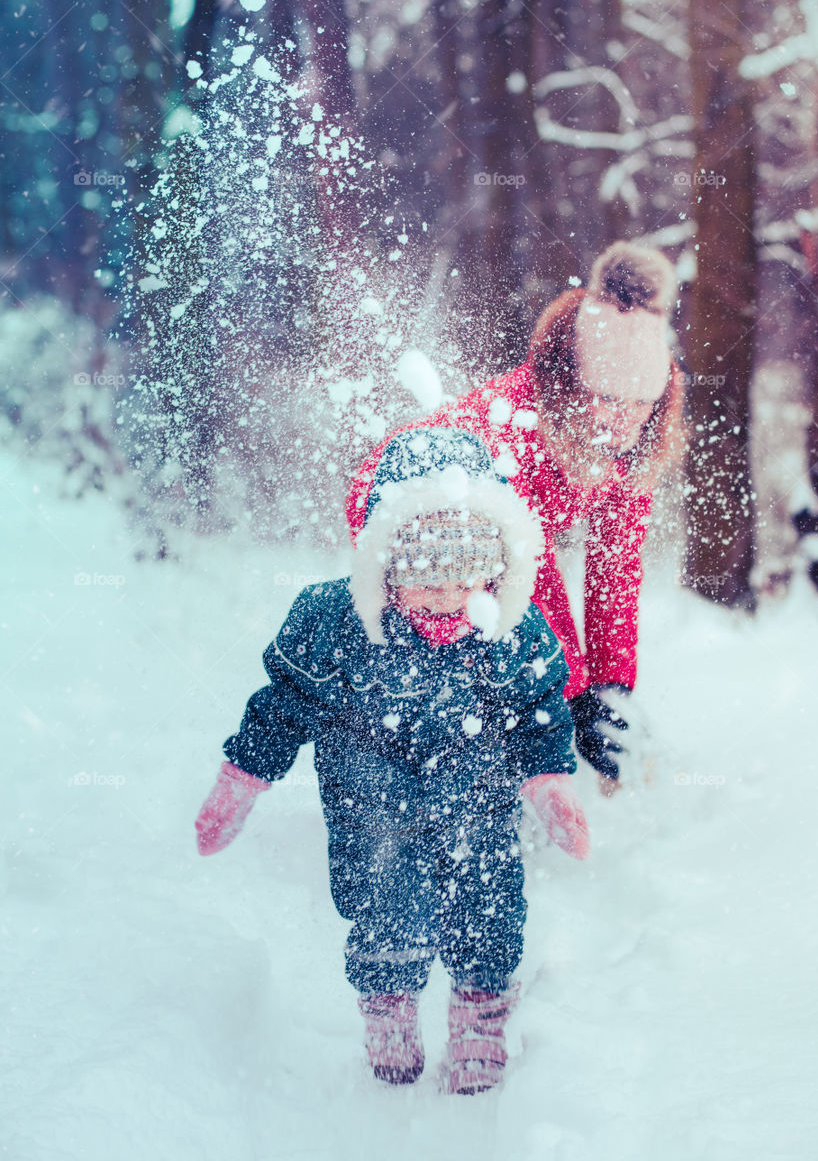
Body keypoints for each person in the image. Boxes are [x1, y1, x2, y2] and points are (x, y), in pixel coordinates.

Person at [194, 429, 590, 1095]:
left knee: (489, 902)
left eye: (469, 579)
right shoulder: (334, 622)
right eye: (426, 579)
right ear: (385, 566)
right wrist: (243, 778)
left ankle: (479, 1016)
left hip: (477, 795)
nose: (447, 598)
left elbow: (538, 709)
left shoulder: (510, 630)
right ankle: (388, 1006)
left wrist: (549, 783)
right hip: (368, 799)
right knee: (385, 907)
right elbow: (282, 705)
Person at [346, 242, 685, 795]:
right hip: (405, 500)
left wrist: (613, 691)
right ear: (571, 386)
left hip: (492, 534)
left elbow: (615, 569)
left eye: (640, 403)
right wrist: (572, 692)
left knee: (518, 649)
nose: (623, 421)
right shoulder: (516, 426)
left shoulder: (630, 447)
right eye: (605, 399)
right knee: (464, 636)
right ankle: (420, 778)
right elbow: (532, 571)